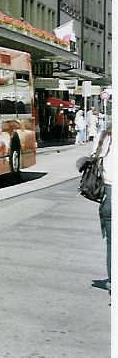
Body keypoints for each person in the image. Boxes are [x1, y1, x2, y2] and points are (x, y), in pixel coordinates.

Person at [93, 120, 112, 292]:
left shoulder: (105, 137)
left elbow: (94, 158)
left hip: (108, 195)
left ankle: (113, 282)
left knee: (112, 244)